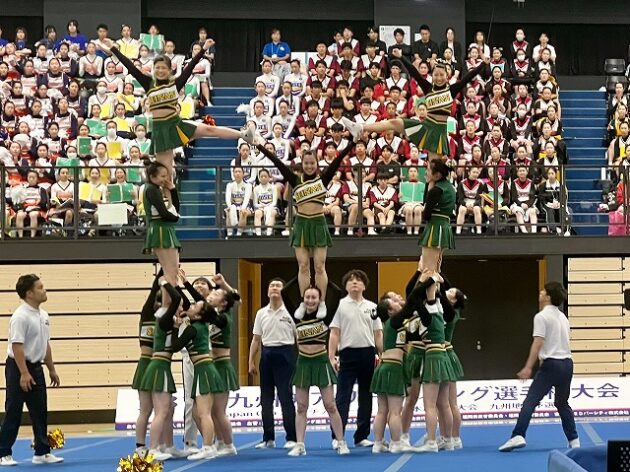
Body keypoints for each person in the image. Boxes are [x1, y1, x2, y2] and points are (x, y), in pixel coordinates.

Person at [100, 37, 255, 178]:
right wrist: (113, 49)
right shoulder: (149, 84)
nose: (160, 71)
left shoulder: (175, 84)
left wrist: (203, 50)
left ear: (169, 70)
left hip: (177, 124)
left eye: (163, 68)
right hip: (162, 132)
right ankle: (168, 197)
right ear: (153, 70)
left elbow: (189, 68)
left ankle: (243, 135)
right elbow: (131, 67)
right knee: (166, 173)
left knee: (209, 129)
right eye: (157, 68)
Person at [254, 139, 353, 316]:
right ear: (302, 163)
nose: (309, 166)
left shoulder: (323, 179)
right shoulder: (295, 179)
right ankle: (304, 301)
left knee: (320, 266)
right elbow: (277, 162)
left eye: (312, 163)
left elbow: (338, 160)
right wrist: (260, 146)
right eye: (306, 163)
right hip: (301, 223)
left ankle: (321, 302)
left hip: (318, 222)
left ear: (317, 164)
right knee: (303, 265)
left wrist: (352, 144)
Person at [343, 52, 489, 162]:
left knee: (434, 168)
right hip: (425, 126)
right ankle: (360, 128)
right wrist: (401, 57)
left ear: (447, 76)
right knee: (393, 122)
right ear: (432, 75)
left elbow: (468, 77)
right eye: (436, 75)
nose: (438, 77)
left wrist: (483, 64)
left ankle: (433, 193)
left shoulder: (452, 90)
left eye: (441, 75)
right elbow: (414, 71)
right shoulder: (428, 88)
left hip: (438, 133)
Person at [499, 282, 579, 452]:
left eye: (543, 291)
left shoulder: (541, 317)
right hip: (567, 364)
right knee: (562, 403)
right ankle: (574, 439)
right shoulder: (563, 317)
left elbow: (538, 342)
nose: (540, 293)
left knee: (530, 401)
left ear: (548, 297)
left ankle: (518, 435)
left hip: (552, 364)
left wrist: (528, 367)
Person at [279, 279, 350, 456]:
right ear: (303, 299)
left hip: (321, 362)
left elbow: (338, 293)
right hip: (303, 363)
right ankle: (300, 444)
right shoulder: (297, 316)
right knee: (301, 407)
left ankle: (341, 442)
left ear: (319, 299)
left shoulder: (325, 316)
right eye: (307, 297)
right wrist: (301, 275)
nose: (310, 300)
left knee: (331, 405)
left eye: (314, 297)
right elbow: (284, 293)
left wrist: (322, 280)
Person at [0, 274, 63, 465]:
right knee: (14, 411)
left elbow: (45, 344)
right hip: (18, 368)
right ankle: (3, 453)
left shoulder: (43, 315)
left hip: (36, 367)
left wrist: (51, 369)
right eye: (40, 287)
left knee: (40, 410)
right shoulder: (20, 317)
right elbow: (17, 346)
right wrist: (24, 373)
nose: (44, 290)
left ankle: (41, 452)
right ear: (29, 293)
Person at [328, 269, 383, 448]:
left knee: (366, 396)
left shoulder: (372, 307)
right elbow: (334, 333)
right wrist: (331, 356)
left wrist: (383, 354)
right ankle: (337, 436)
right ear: (345, 286)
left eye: (358, 280)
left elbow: (378, 334)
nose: (354, 283)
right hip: (347, 354)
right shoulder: (339, 306)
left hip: (368, 353)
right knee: (342, 397)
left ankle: (361, 436)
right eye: (350, 280)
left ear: (364, 286)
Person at [248, 279, 297, 449]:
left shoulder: (291, 312)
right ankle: (268, 438)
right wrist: (250, 361)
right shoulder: (261, 313)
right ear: (268, 291)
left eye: (278, 286)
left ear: (283, 291)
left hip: (286, 354)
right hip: (267, 355)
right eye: (272, 286)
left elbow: (299, 338)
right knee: (266, 399)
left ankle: (292, 437)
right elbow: (256, 339)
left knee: (285, 397)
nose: (275, 288)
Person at [138, 278, 182, 460]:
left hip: (162, 365)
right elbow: (176, 299)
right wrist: (165, 280)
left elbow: (176, 345)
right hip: (155, 365)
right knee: (156, 410)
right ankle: (149, 447)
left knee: (167, 409)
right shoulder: (161, 317)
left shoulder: (167, 321)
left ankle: (167, 445)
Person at [133, 270, 162, 456]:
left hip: (154, 364)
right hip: (146, 363)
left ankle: (155, 445)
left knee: (157, 409)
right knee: (145, 409)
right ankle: (140, 446)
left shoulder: (165, 320)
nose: (159, 303)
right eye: (157, 301)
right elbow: (153, 290)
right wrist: (164, 269)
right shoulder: (147, 315)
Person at [142, 162, 181, 304]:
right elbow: (164, 213)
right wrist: (176, 218)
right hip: (160, 229)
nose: (165, 179)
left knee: (173, 271)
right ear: (153, 176)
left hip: (166, 228)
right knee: (169, 271)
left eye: (167, 176)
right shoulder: (151, 189)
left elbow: (175, 208)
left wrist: (173, 190)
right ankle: (166, 304)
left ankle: (168, 303)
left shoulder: (158, 188)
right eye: (162, 176)